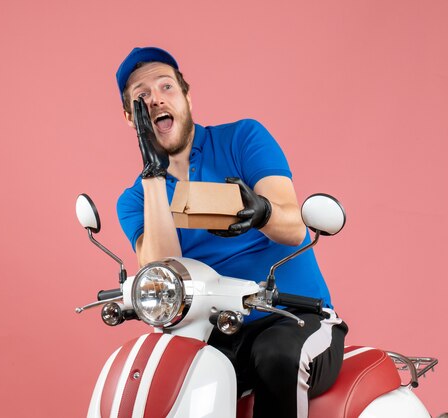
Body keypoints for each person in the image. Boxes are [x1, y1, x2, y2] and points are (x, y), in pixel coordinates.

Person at [115, 46, 348, 418]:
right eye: (141, 97)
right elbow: (162, 270)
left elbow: (292, 228)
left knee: (275, 354)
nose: (156, 99)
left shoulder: (242, 139)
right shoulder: (134, 200)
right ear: (131, 118)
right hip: (213, 333)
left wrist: (262, 211)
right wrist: (154, 176)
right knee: (163, 378)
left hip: (294, 319)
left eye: (166, 87)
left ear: (187, 97)